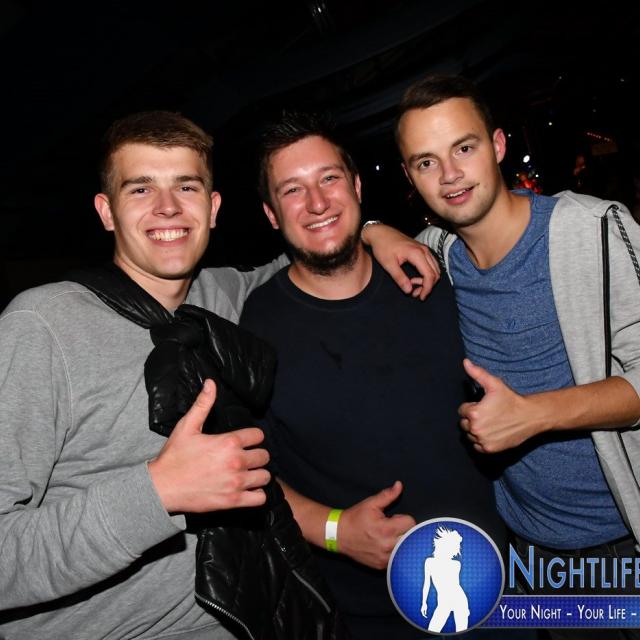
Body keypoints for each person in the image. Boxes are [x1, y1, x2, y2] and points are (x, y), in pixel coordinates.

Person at [0, 111, 304, 640]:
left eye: (186, 186)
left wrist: (376, 232)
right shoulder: (42, 326)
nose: (168, 207)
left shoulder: (221, 297)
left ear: (212, 208)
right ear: (107, 211)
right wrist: (157, 492)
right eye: (140, 188)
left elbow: (309, 258)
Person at [363, 74, 640, 639]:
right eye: (426, 162)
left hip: (623, 539)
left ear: (496, 145)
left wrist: (532, 415)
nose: (450, 175)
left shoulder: (594, 229)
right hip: (529, 549)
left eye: (463, 148)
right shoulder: (437, 254)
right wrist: (373, 230)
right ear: (411, 177)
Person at [239, 111, 508, 639]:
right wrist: (335, 532)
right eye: (293, 190)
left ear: (357, 187)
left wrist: (374, 230)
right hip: (367, 614)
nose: (317, 202)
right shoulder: (256, 327)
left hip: (497, 583)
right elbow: (252, 472)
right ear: (272, 214)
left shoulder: (432, 274)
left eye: (329, 179)